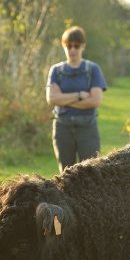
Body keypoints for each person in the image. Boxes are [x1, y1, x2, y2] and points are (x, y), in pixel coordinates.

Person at [46, 26, 107, 172]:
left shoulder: (93, 69)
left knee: (91, 172)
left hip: (87, 128)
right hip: (62, 128)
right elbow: (51, 99)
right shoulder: (56, 71)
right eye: (69, 46)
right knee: (65, 174)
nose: (72, 49)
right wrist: (79, 95)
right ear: (64, 46)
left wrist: (63, 100)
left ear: (83, 46)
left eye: (76, 46)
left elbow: (96, 101)